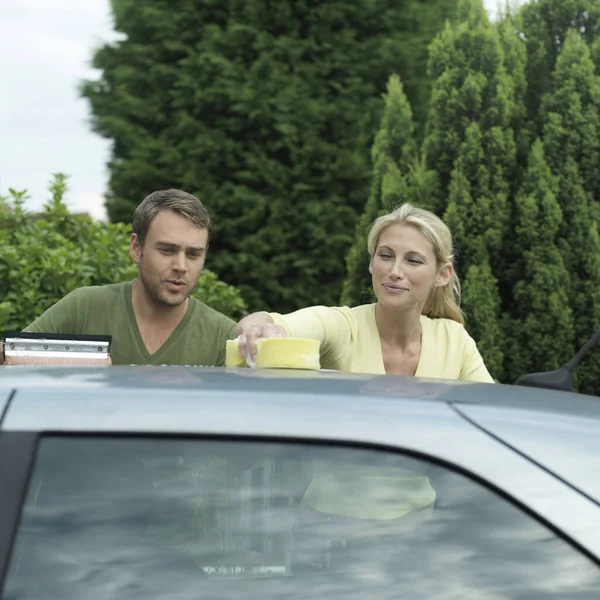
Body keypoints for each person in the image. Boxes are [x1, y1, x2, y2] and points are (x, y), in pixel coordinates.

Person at [235, 202, 494, 382]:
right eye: (385, 255)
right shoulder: (342, 326)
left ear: (442, 275)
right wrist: (257, 329)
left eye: (413, 260)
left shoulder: (454, 340)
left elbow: (489, 412)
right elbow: (259, 322)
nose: (394, 270)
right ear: (371, 262)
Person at [24, 189, 236, 366]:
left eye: (193, 254)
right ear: (136, 248)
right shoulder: (84, 308)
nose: (181, 266)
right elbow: (12, 357)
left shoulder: (224, 338)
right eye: (167, 250)